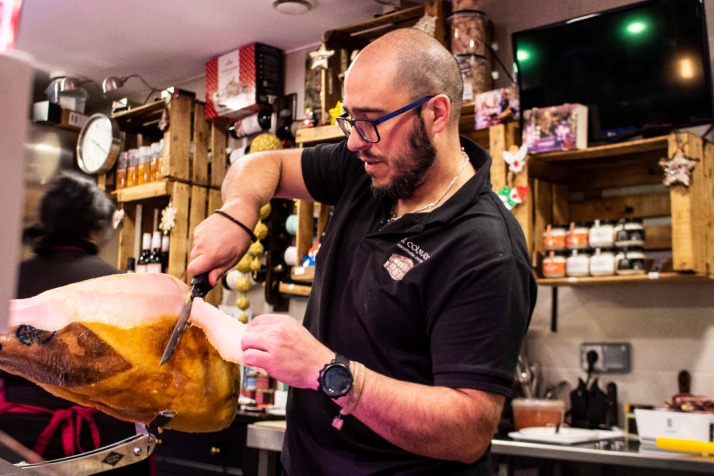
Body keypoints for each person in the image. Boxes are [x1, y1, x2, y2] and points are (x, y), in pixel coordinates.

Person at [188, 28, 536, 476]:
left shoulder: (486, 249)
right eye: (350, 121)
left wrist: (326, 370)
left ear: (436, 114)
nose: (354, 141)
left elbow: (468, 431)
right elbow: (260, 164)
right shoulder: (369, 171)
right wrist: (236, 213)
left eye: (370, 121)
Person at [0, 172, 151, 475]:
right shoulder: (126, 285)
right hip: (104, 447)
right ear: (96, 227)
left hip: (13, 442)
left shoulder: (7, 279)